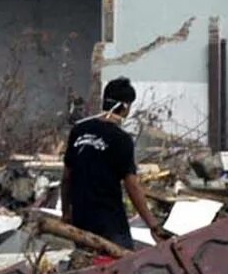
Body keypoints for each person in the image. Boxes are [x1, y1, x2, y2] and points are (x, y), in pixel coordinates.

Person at [61, 78, 158, 248]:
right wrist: (153, 225)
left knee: (86, 263)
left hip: (81, 218)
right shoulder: (121, 139)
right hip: (110, 223)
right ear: (126, 107)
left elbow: (67, 177)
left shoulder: (79, 130)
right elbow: (132, 186)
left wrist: (66, 212)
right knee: (120, 267)